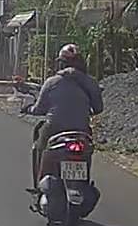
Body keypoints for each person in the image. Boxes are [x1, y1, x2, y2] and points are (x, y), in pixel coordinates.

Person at [25, 43, 103, 190]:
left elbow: (39, 108)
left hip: (54, 128)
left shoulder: (52, 82)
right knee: (87, 152)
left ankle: (39, 184)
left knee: (40, 147)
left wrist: (29, 109)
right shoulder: (91, 82)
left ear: (61, 63)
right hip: (81, 130)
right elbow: (98, 108)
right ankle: (84, 183)